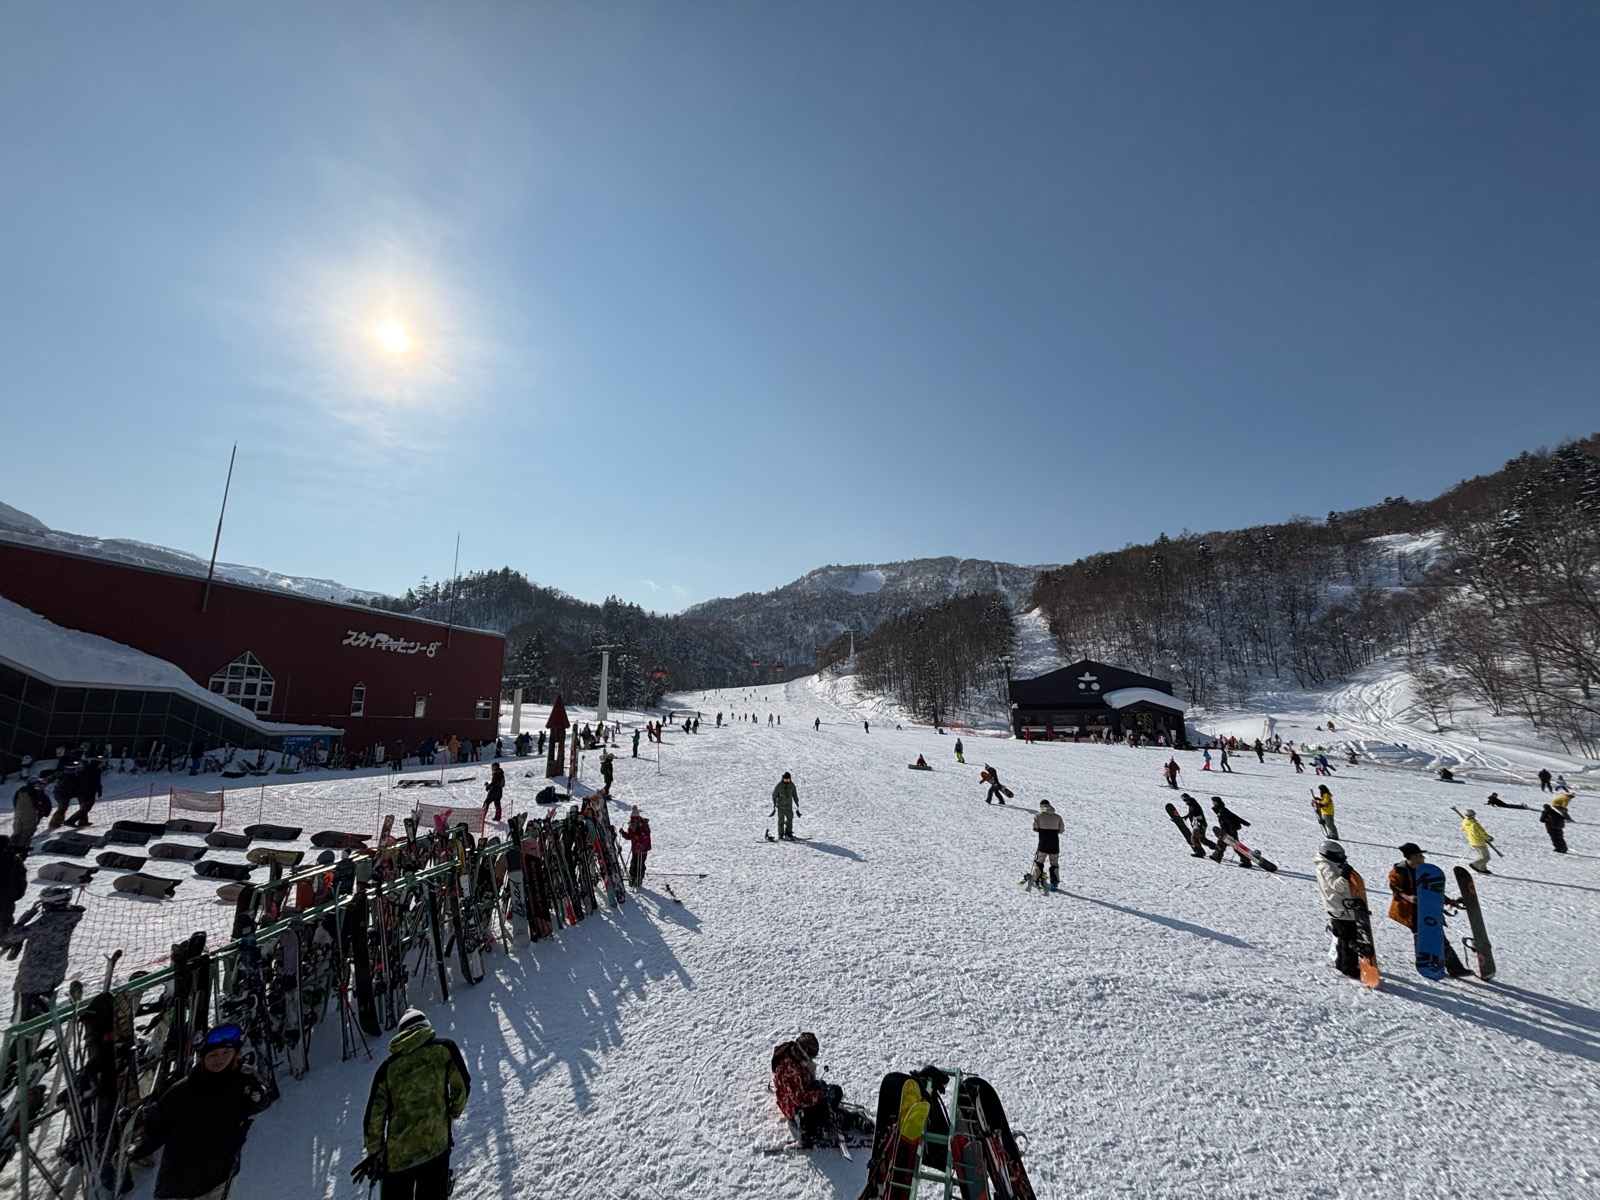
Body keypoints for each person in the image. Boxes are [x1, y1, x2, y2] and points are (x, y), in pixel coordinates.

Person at [129, 1023, 270, 1199]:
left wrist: (258, 1095)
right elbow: (155, 1128)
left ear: (236, 1055)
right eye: (213, 1055)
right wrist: (134, 1149)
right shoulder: (182, 1092)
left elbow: (261, 1102)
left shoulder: (244, 1079)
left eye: (227, 1053)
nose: (220, 1059)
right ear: (203, 1057)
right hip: (179, 1185)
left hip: (222, 1177)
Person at [360, 1008, 470, 1200]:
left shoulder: (387, 1069)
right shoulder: (444, 1049)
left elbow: (374, 1118)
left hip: (399, 1158)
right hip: (436, 1145)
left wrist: (375, 1152)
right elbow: (462, 1085)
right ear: (426, 1027)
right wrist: (453, 1111)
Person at [1, 886, 86, 1020]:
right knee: (42, 1011)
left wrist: (25, 918)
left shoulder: (42, 923)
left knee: (21, 1018)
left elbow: (9, 938)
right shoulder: (72, 916)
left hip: (32, 975)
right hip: (55, 972)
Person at [1387, 843, 1471, 977]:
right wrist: (1407, 897)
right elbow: (1395, 888)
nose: (1423, 857)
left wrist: (1450, 901)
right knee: (1422, 937)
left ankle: (1454, 968)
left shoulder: (1426, 871)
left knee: (1438, 936)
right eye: (1420, 855)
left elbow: (1433, 890)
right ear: (1413, 856)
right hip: (1411, 911)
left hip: (1429, 909)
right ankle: (1426, 964)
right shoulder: (1398, 871)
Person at [770, 1033, 867, 1148]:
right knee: (818, 1108)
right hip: (795, 1109)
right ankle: (838, 1122)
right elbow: (799, 1099)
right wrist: (822, 1094)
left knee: (836, 1091)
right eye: (809, 1057)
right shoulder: (789, 1070)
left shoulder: (794, 1054)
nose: (809, 1060)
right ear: (802, 1052)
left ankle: (831, 1117)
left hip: (801, 1096)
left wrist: (816, 1084)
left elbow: (802, 1077)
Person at [1314, 841, 1361, 979]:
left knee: (1343, 937)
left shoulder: (1330, 864)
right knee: (1349, 938)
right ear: (1330, 855)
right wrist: (1344, 875)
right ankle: (1349, 967)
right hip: (1340, 908)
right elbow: (1337, 886)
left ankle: (1341, 962)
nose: (1342, 857)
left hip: (1339, 906)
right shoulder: (1326, 867)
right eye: (1339, 855)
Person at [1208, 797, 1252, 867]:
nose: (1212, 803)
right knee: (1221, 844)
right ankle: (1216, 856)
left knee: (1237, 847)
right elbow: (1234, 816)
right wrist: (1244, 822)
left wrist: (1232, 832)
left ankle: (1246, 862)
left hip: (1230, 832)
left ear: (1216, 802)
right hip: (1226, 831)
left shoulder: (1222, 811)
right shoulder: (1221, 810)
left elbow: (1230, 821)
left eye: (1213, 801)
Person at [1031, 800, 1064, 890]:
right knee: (1054, 863)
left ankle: (1037, 878)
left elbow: (1035, 828)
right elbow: (1061, 830)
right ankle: (1054, 882)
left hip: (1043, 843)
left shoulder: (1038, 816)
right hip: (1054, 844)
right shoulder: (1058, 817)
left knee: (1039, 861)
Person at [10, 777, 50, 849]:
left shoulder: (20, 790)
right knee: (28, 830)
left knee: (17, 830)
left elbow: (14, 801)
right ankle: (21, 847)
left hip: (19, 813)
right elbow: (45, 802)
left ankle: (11, 845)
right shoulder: (35, 792)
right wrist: (44, 812)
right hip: (29, 814)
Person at [621, 805, 651, 887]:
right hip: (635, 849)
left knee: (640, 865)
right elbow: (630, 836)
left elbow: (646, 835)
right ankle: (632, 880)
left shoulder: (644, 824)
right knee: (633, 864)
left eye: (635, 818)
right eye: (632, 818)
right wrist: (623, 833)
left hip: (642, 849)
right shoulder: (631, 826)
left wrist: (639, 831)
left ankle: (638, 881)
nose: (634, 820)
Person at [0, 845, 25, 935]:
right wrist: (16, 895)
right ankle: (5, 942)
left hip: (6, 899)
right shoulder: (14, 860)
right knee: (4, 924)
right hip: (6, 900)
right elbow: (21, 880)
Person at [1460, 809, 1494, 874]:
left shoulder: (1464, 822)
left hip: (1472, 841)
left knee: (1482, 856)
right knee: (1486, 857)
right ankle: (1474, 864)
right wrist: (1489, 838)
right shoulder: (1474, 824)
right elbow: (1482, 832)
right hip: (1479, 841)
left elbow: (1464, 830)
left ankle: (1482, 869)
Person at [771, 772, 801, 840]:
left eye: (788, 779)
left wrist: (797, 805)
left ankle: (788, 833)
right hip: (781, 807)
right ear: (783, 778)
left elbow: (795, 796)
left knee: (789, 821)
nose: (787, 780)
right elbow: (774, 796)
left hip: (789, 807)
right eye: (785, 779)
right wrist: (774, 805)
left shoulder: (792, 786)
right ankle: (780, 835)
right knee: (781, 821)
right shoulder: (778, 786)